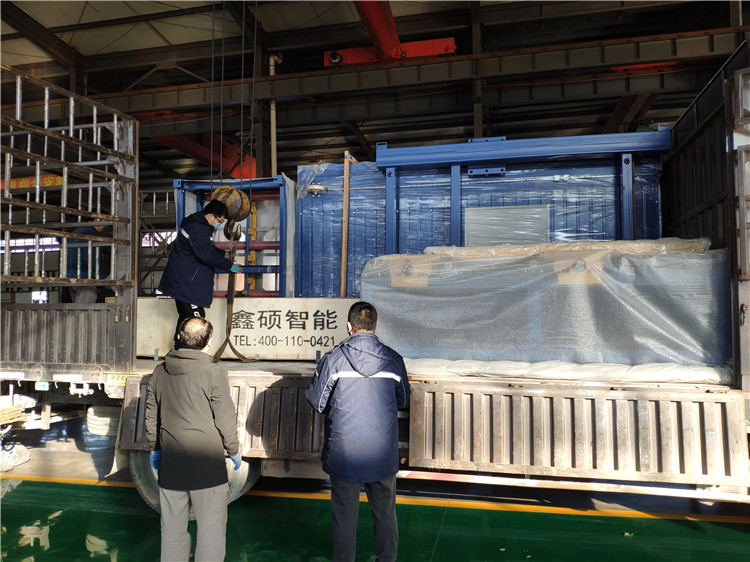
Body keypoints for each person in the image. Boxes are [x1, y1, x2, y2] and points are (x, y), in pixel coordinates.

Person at [305, 301, 410, 562]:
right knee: (385, 511)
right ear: (375, 325)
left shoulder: (333, 360)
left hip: (344, 452)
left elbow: (317, 402)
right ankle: (387, 558)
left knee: (344, 514)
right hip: (381, 452)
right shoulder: (394, 360)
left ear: (349, 327)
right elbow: (403, 400)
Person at [144, 316, 242, 562]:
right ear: (208, 343)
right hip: (207, 467)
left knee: (172, 534)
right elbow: (225, 417)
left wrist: (155, 448)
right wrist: (233, 449)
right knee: (211, 533)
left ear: (179, 337)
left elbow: (151, 416)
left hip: (171, 465)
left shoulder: (159, 372)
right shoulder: (213, 373)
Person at [158, 199, 240, 347]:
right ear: (210, 215)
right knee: (196, 322)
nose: (219, 225)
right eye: (219, 221)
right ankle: (190, 354)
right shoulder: (198, 229)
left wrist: (225, 255)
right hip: (187, 284)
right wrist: (229, 265)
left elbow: (206, 248)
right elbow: (206, 254)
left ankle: (178, 351)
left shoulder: (198, 226)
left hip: (185, 282)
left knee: (186, 318)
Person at [64, 222, 108, 303]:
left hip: (71, 274)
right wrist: (101, 277)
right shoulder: (90, 233)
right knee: (85, 305)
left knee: (78, 304)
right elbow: (91, 257)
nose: (105, 226)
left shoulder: (77, 232)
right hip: (85, 275)